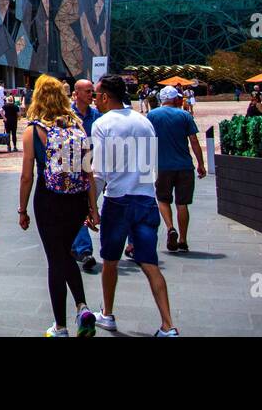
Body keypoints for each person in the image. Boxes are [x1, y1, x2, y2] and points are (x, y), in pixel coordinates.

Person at [89, 74, 179, 336]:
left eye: (96, 95)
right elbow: (152, 167)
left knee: (110, 261)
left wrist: (91, 208)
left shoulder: (102, 123)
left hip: (117, 200)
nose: (95, 100)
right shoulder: (144, 122)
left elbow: (99, 171)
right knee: (150, 262)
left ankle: (107, 314)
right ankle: (167, 325)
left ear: (105, 96)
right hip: (146, 199)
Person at [18, 75, 96, 337]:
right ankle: (82, 307)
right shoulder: (78, 126)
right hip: (77, 200)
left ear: (37, 97)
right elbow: (89, 172)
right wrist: (93, 208)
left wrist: (22, 209)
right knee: (64, 253)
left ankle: (60, 326)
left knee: (56, 259)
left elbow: (27, 175)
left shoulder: (33, 130)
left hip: (48, 199)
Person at [146, 86, 206, 254]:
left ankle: (170, 227)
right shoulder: (185, 115)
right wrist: (201, 164)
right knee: (182, 203)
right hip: (184, 165)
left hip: (162, 166)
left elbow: (146, 140)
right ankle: (183, 240)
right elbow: (193, 140)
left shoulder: (152, 115)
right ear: (174, 99)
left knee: (163, 200)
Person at [70, 79, 101, 274]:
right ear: (77, 93)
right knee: (80, 209)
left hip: (93, 169)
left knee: (84, 209)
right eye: (88, 91)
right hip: (73, 169)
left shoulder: (97, 116)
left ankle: (77, 246)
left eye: (92, 91)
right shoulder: (68, 117)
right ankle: (84, 249)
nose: (91, 95)